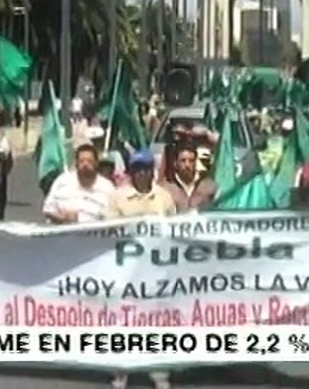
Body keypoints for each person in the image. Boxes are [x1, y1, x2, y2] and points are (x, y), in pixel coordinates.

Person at [105, 150, 175, 389]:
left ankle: (158, 371)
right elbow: (109, 230)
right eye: (138, 169)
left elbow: (174, 231)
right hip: (126, 269)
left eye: (146, 168)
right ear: (131, 172)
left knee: (157, 319)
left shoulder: (164, 198)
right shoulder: (118, 198)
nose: (143, 173)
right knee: (124, 319)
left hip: (156, 270)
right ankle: (121, 370)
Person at [42, 143, 115, 224]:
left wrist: (79, 218)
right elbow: (47, 208)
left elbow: (112, 217)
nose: (85, 164)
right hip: (61, 230)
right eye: (81, 161)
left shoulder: (107, 187)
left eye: (89, 161)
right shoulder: (62, 181)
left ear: (96, 163)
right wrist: (61, 217)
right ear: (76, 163)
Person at [163, 143, 216, 212]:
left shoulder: (209, 186)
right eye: (183, 161)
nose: (187, 165)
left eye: (191, 161)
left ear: (196, 162)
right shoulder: (166, 189)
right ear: (175, 163)